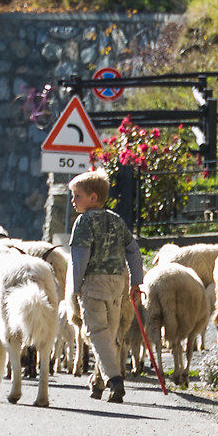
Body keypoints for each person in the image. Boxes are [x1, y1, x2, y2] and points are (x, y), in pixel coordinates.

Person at [62, 169, 145, 403]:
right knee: (108, 333)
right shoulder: (116, 220)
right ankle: (97, 383)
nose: (73, 200)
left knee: (96, 332)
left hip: (94, 283)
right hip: (118, 282)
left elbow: (79, 257)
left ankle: (114, 379)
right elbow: (133, 251)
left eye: (77, 196)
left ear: (93, 198)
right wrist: (136, 282)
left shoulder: (83, 222)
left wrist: (75, 289)